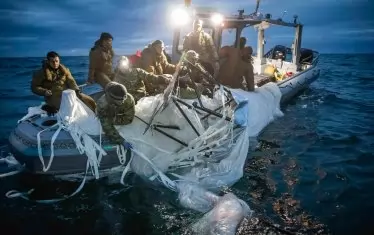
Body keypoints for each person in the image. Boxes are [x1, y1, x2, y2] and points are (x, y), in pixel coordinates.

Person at [31, 51, 96, 114]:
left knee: (89, 100)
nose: (55, 63)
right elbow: (34, 87)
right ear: (48, 62)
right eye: (52, 61)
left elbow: (71, 81)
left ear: (59, 60)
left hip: (67, 93)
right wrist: (44, 91)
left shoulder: (65, 70)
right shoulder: (41, 73)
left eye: (57, 61)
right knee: (67, 107)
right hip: (53, 96)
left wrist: (77, 91)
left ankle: (96, 114)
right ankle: (48, 107)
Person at [96, 82, 135, 146]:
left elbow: (129, 119)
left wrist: (114, 120)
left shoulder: (129, 99)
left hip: (117, 111)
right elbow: (107, 126)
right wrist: (121, 141)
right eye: (120, 100)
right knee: (102, 123)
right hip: (107, 109)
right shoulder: (102, 104)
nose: (122, 101)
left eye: (123, 99)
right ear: (113, 99)